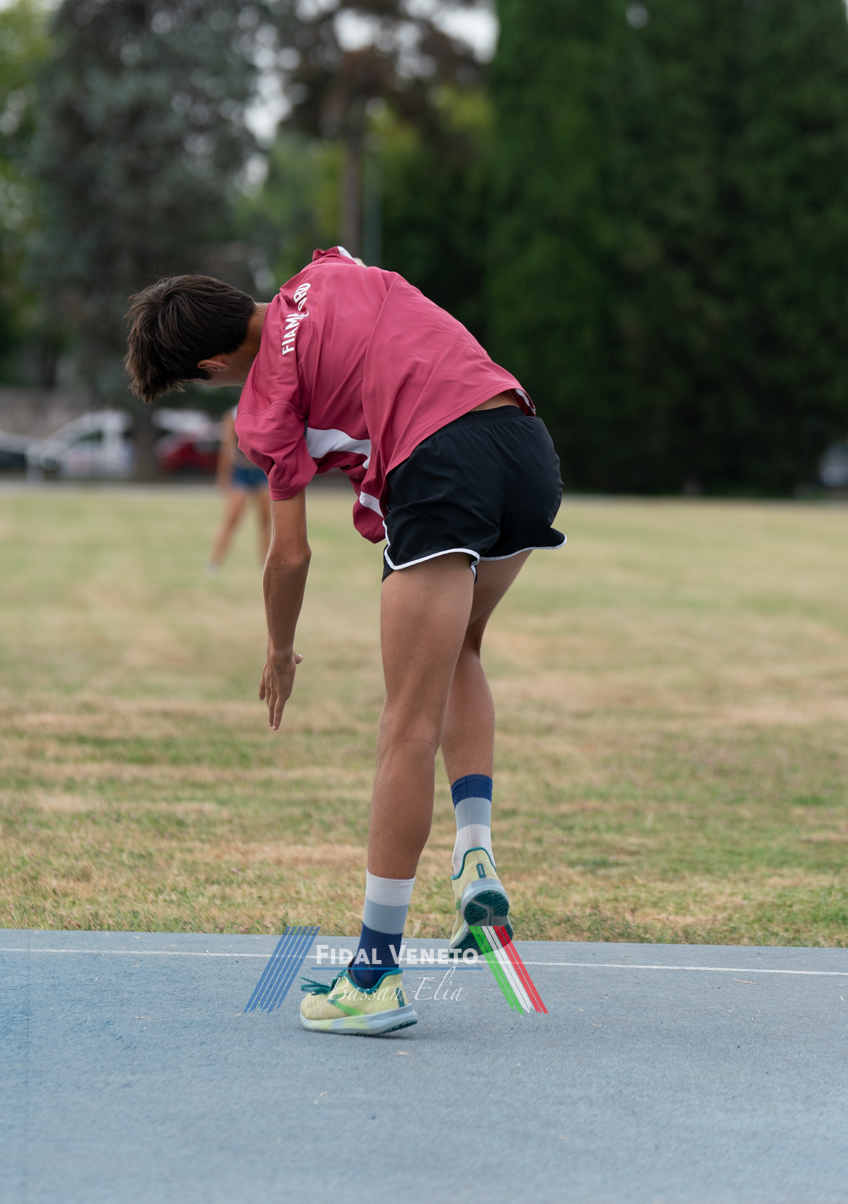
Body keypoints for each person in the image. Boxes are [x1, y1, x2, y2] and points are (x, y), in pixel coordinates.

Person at [125, 247, 564, 1036]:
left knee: (405, 727)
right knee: (460, 649)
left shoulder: (261, 402)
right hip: (524, 445)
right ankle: (474, 852)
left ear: (212, 364)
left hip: (441, 465)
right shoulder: (326, 268)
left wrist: (278, 650)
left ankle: (373, 976)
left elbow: (289, 555)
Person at [208, 406, 270, 572]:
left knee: (265, 521)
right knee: (231, 520)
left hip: (261, 470)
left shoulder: (268, 409)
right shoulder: (233, 414)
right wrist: (223, 477)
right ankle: (214, 563)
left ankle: (264, 564)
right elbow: (227, 448)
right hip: (241, 471)